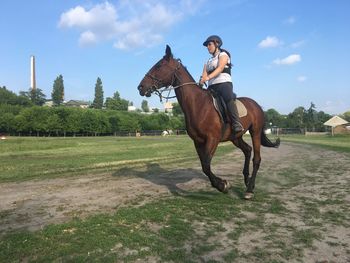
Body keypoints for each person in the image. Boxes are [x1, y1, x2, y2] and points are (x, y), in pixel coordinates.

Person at [199, 35, 243, 134]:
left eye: (209, 44)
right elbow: (204, 75)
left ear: (217, 44)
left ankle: (236, 123)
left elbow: (220, 69)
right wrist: (201, 82)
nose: (208, 47)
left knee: (228, 97)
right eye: (207, 45)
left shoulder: (223, 55)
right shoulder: (208, 61)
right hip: (211, 86)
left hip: (224, 83)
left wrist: (208, 78)